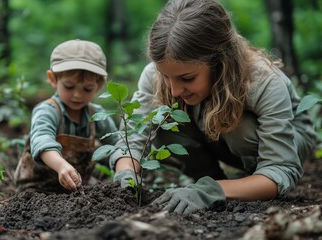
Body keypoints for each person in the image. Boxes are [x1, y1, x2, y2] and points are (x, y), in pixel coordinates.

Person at [109, 0, 317, 214]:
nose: (174, 91)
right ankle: (222, 185)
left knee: (242, 129)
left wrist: (208, 191)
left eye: (187, 78)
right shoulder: (157, 74)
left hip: (284, 143)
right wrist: (126, 175)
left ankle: (234, 184)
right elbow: (132, 140)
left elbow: (281, 170)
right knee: (162, 119)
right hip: (219, 136)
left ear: (220, 62)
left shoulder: (263, 82)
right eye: (166, 77)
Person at [14, 39, 119, 193]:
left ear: (99, 85)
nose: (77, 95)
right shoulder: (47, 111)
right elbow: (42, 139)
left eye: (87, 89)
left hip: (76, 190)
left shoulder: (97, 115)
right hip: (36, 189)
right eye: (69, 86)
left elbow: (119, 144)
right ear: (53, 79)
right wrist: (61, 166)